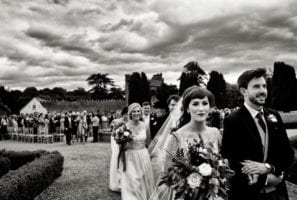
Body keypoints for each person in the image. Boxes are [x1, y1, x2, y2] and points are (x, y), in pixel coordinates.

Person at [221, 68, 294, 200]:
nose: (262, 91)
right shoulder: (232, 120)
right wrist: (265, 180)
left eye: (264, 86)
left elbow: (288, 154)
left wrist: (269, 168)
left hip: (278, 194)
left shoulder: (274, 115)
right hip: (248, 195)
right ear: (244, 91)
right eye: (256, 86)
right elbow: (232, 162)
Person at [149, 86, 221, 200]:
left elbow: (221, 163)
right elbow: (167, 173)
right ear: (187, 108)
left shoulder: (216, 133)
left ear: (210, 107)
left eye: (205, 103)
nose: (201, 108)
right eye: (195, 104)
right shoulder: (176, 137)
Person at [120, 103, 155, 200]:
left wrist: (151, 153)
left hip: (143, 155)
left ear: (141, 112)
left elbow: (149, 140)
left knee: (142, 179)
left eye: (138, 111)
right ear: (130, 113)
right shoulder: (125, 127)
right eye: (134, 111)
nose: (136, 113)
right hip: (131, 156)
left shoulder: (145, 125)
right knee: (133, 179)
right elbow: (122, 144)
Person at [109, 107, 128, 192]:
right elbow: (112, 133)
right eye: (126, 114)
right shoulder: (117, 121)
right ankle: (117, 183)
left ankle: (126, 183)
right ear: (123, 114)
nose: (127, 116)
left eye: (128, 114)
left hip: (127, 146)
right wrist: (119, 136)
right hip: (118, 145)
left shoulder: (130, 122)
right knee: (118, 162)